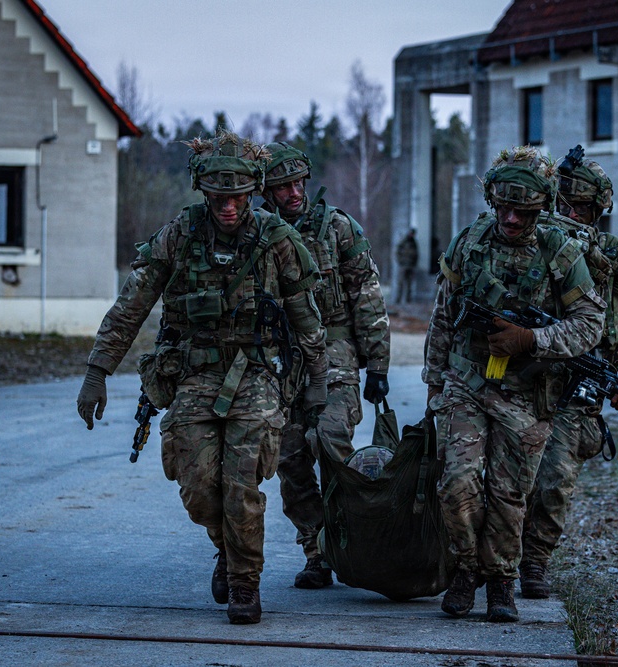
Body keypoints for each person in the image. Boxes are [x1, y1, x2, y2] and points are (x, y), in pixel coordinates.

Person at [75, 131, 329, 625]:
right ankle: (227, 548)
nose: (228, 207)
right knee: (198, 489)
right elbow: (132, 305)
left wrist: (318, 376)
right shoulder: (180, 235)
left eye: (238, 197)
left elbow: (305, 312)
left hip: (256, 373)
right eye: (218, 197)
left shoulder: (277, 239)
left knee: (241, 485)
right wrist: (97, 370)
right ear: (203, 192)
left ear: (253, 191)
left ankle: (244, 583)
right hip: (194, 374)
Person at [423, 145, 606, 622]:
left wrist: (531, 339)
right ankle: (466, 569)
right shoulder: (470, 242)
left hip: (527, 392)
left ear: (540, 208)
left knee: (509, 494)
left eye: (522, 212)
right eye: (503, 207)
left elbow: (591, 325)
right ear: (492, 200)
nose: (510, 219)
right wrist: (434, 383)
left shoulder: (560, 252)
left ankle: (501, 580)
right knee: (457, 483)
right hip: (466, 380)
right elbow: (442, 316)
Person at [518, 146, 618, 599]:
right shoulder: (527, 244)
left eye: (581, 208)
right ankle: (490, 562)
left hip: (576, 391)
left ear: (599, 211)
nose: (571, 216)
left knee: (554, 483)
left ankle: (534, 563)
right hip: (520, 379)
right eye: (564, 205)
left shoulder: (612, 260)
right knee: (504, 479)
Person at [259, 142, 391, 589]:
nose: (294, 193)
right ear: (267, 191)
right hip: (280, 359)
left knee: (330, 440)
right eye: (283, 186)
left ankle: (353, 538)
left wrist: (378, 364)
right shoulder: (258, 234)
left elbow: (366, 295)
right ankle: (317, 551)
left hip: (335, 352)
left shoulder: (338, 228)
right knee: (289, 458)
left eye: (299, 183)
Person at [394, 227, 419, 304]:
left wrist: (414, 264)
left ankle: (408, 300)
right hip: (403, 265)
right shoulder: (404, 242)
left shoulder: (414, 243)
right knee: (400, 283)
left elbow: (416, 254)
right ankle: (398, 300)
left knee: (409, 283)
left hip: (410, 265)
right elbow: (397, 252)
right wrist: (400, 261)